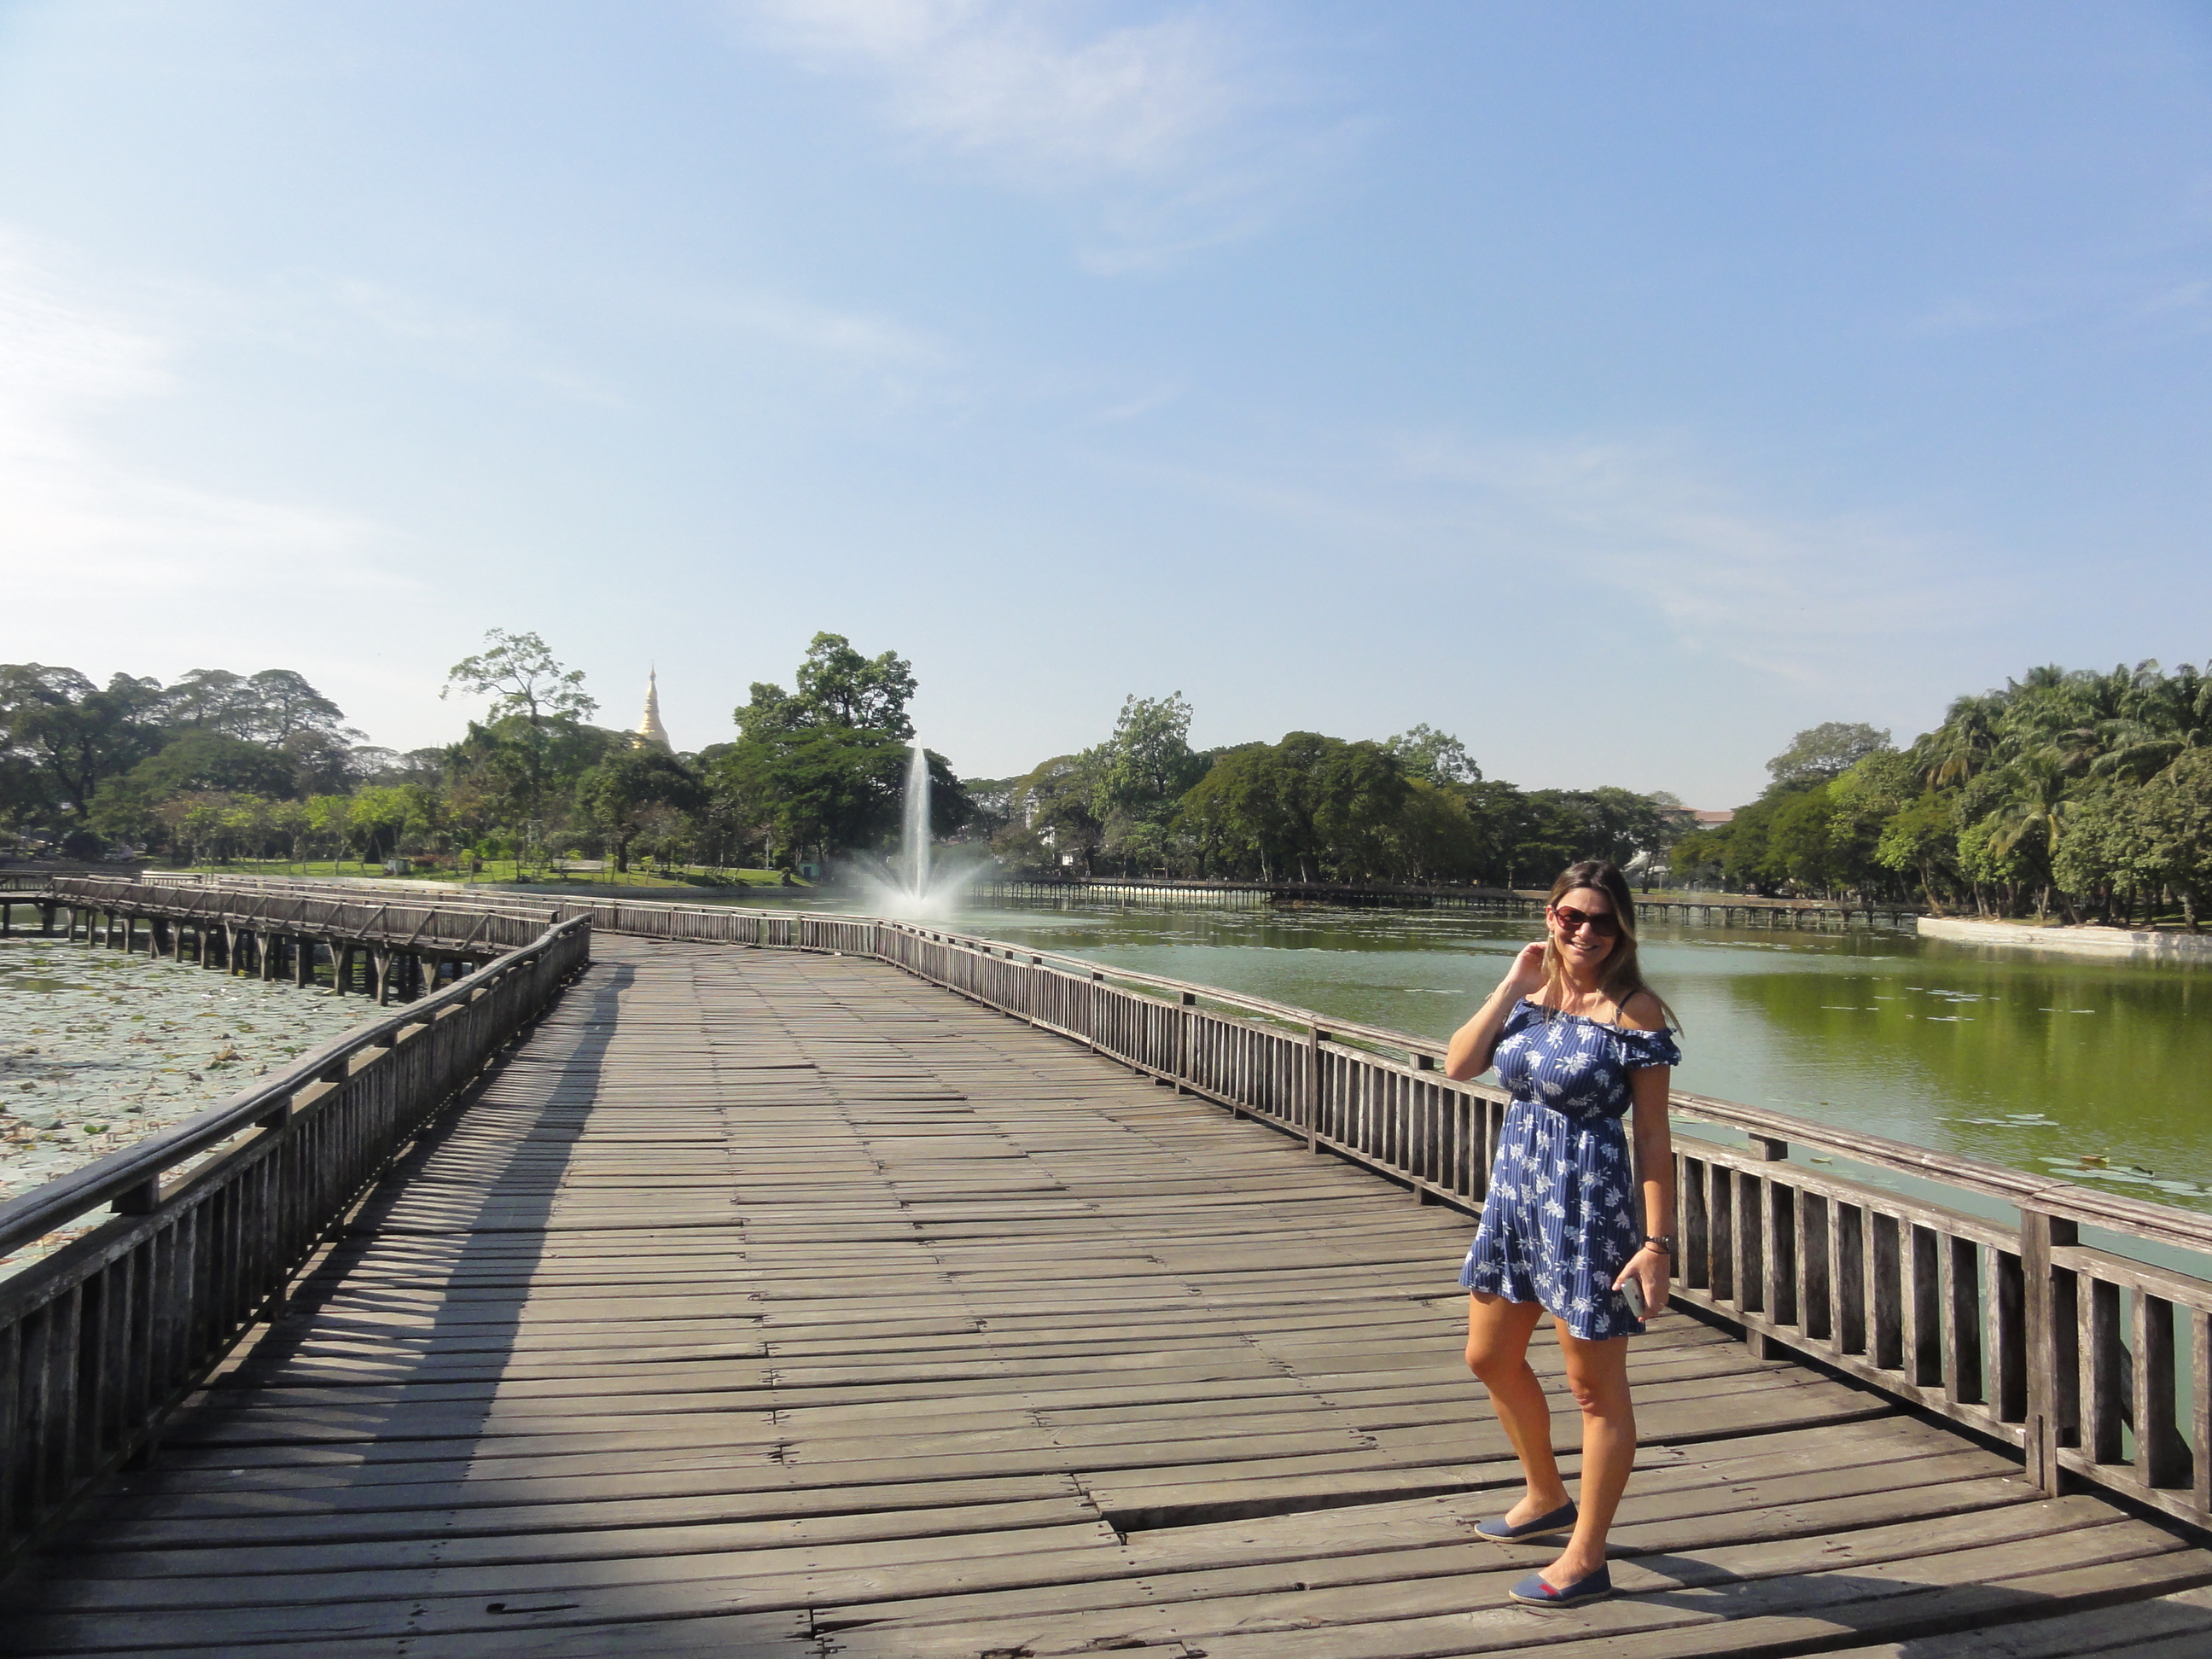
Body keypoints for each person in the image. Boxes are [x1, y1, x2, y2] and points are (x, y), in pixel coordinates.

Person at [1443, 859, 1679, 1607]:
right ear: (1550, 916)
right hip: (1516, 1200)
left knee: (1593, 1388)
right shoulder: (1531, 999)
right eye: (1571, 916)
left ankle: (1587, 1556)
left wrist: (1655, 1243)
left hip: (1589, 1210)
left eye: (1601, 920)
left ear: (1623, 930)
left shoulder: (1633, 1012)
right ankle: (1545, 1494)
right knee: (1488, 1356)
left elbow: (1651, 1137)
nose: (1584, 931)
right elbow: (1458, 1064)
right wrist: (1512, 985)